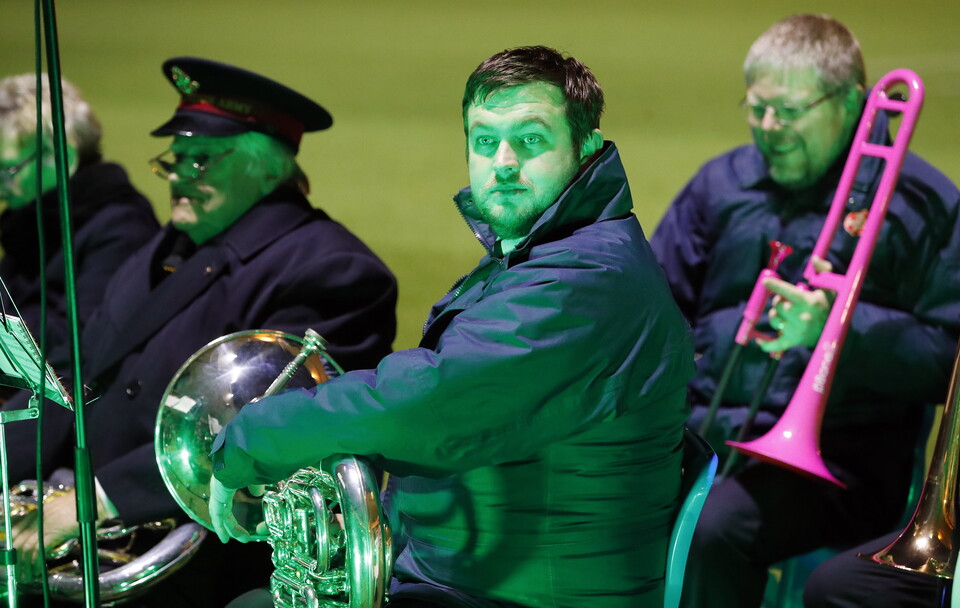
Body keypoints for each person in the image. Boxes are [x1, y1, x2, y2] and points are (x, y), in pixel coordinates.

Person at [209, 45, 694, 608]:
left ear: (586, 146)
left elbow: (430, 404)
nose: (503, 161)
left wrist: (253, 437)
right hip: (478, 576)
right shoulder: (550, 250)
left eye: (531, 139)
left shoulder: (585, 281)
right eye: (485, 141)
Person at [4, 57, 398, 607]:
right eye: (176, 158)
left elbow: (268, 428)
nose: (178, 175)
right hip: (88, 534)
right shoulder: (163, 249)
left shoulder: (333, 270)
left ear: (267, 168)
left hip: (203, 564)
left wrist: (94, 501)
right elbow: (75, 375)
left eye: (202, 160)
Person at [649, 14, 960, 608]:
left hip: (843, 465)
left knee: (715, 531)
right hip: (707, 433)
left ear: (850, 104)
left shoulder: (920, 203)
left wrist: (838, 332)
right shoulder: (720, 184)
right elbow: (659, 312)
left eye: (789, 111)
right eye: (757, 107)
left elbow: (949, 358)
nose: (769, 128)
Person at [0, 73, 158, 355]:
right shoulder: (29, 218)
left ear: (62, 156)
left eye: (7, 171)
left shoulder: (121, 227)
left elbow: (81, 343)